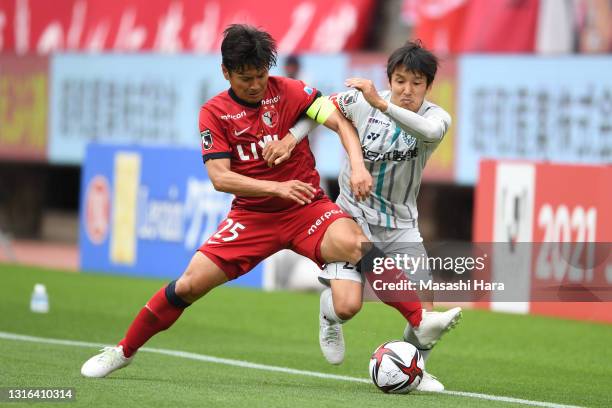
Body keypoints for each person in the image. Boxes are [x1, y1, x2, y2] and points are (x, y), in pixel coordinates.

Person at [80, 26, 453, 380]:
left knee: (356, 245)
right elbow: (220, 178)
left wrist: (354, 164)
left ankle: (419, 318)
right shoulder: (214, 112)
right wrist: (277, 188)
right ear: (226, 72)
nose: (257, 84)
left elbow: (337, 120)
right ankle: (122, 351)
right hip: (253, 216)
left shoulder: (289, 91)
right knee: (189, 284)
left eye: (261, 74)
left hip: (307, 208)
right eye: (246, 78)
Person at [264, 40, 461, 391]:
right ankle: (329, 314)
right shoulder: (360, 102)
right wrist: (292, 140)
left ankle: (415, 370)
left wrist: (382, 103)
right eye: (400, 80)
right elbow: (318, 109)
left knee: (427, 316)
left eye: (417, 83)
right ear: (390, 78)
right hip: (350, 219)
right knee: (349, 306)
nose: (407, 90)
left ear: (430, 87)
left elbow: (428, 132)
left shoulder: (435, 117)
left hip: (401, 226)